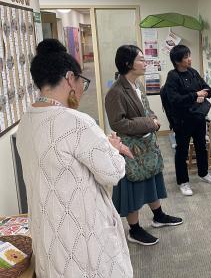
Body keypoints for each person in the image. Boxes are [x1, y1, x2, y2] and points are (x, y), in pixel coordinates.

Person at [16, 39, 133, 277]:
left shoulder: (26, 122)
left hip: (48, 233)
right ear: (70, 78)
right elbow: (113, 172)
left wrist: (103, 146)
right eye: (82, 82)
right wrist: (113, 148)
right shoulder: (76, 123)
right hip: (83, 237)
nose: (81, 88)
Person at [105, 45, 182, 246]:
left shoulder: (136, 84)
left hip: (146, 145)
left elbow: (147, 110)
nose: (144, 62)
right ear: (128, 64)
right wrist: (150, 123)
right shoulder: (116, 92)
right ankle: (135, 229)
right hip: (132, 149)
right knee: (135, 187)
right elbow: (118, 123)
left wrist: (154, 119)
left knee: (151, 181)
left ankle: (158, 216)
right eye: (141, 59)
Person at [160, 44, 211, 196]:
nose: (189, 59)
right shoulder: (172, 76)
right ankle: (183, 182)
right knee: (182, 151)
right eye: (186, 57)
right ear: (177, 61)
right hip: (182, 121)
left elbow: (207, 89)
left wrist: (203, 94)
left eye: (189, 55)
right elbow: (174, 100)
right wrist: (195, 96)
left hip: (198, 118)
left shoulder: (193, 72)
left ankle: (204, 173)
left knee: (201, 147)